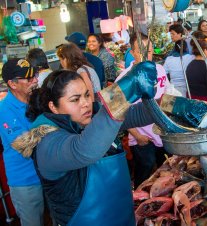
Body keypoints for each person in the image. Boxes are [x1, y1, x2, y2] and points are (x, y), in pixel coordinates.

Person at [12, 60, 157, 225]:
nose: (86, 103)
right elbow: (83, 149)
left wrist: (171, 106)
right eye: (75, 99)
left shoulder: (91, 117)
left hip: (122, 217)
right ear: (53, 107)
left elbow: (134, 114)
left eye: (87, 95)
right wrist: (126, 89)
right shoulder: (46, 142)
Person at [115, 33, 169, 187]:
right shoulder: (125, 79)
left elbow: (165, 97)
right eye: (142, 51)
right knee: (144, 177)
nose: (146, 56)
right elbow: (118, 113)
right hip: (142, 138)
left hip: (163, 134)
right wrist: (137, 135)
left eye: (150, 51)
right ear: (132, 53)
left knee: (166, 174)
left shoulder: (160, 70)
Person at [0, 59, 44, 226]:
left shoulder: (36, 100)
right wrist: (51, 126)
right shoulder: (4, 110)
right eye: (28, 78)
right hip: (26, 181)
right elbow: (25, 146)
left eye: (34, 75)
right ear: (12, 84)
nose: (34, 80)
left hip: (48, 174)